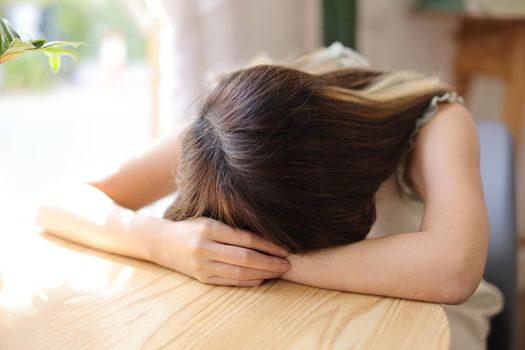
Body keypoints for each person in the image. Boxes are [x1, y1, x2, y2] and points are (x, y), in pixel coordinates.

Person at [36, 43, 503, 349]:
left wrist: (260, 262)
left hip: (420, 320)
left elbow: (454, 267)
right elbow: (56, 201)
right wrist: (162, 242)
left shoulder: (435, 122)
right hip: (282, 317)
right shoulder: (231, 128)